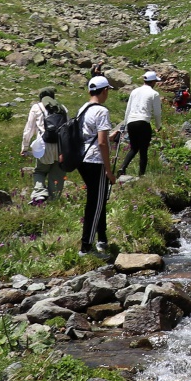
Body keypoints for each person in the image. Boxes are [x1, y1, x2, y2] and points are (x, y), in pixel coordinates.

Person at [78, 76, 117, 255]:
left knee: (97, 199)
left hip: (82, 159)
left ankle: (102, 238)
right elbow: (102, 143)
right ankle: (86, 246)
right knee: (95, 202)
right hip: (96, 161)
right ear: (104, 91)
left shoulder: (83, 109)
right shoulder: (101, 111)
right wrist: (108, 171)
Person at [21, 86, 66, 205]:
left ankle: (39, 194)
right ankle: (53, 200)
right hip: (60, 147)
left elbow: (29, 129)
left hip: (43, 146)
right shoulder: (62, 108)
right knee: (57, 173)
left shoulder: (36, 108)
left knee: (40, 171)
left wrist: (24, 147)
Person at [119, 70, 163, 177]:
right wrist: (158, 126)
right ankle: (141, 175)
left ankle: (122, 167)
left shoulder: (134, 91)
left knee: (134, 147)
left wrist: (125, 124)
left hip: (131, 122)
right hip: (143, 122)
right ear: (152, 82)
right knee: (143, 150)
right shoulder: (154, 94)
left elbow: (128, 109)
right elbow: (157, 113)